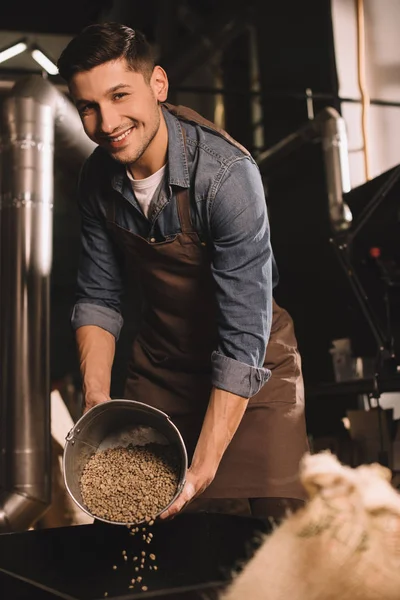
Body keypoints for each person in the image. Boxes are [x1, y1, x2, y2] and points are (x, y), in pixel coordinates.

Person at [57, 22, 309, 521]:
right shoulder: (95, 179)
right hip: (163, 371)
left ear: (158, 85)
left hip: (254, 374)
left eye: (119, 95)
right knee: (160, 546)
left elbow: (243, 336)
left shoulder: (226, 175)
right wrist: (98, 399)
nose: (106, 123)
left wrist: (203, 467)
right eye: (88, 107)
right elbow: (99, 297)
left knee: (271, 536)